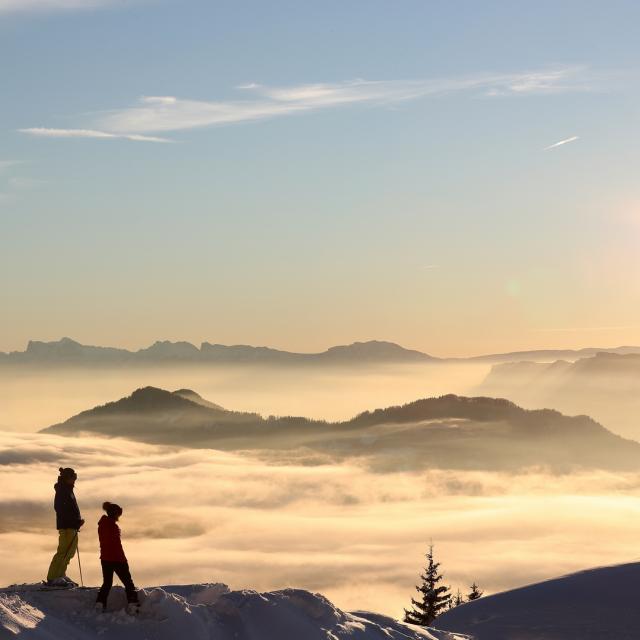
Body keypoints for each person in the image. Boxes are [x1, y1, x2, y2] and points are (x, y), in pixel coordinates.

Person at [95, 502, 140, 613]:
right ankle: (133, 604)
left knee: (107, 583)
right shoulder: (112, 526)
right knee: (128, 582)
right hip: (117, 558)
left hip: (105, 558)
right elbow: (116, 545)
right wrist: (123, 559)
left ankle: (100, 603)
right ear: (115, 514)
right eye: (118, 515)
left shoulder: (102, 525)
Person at [46, 467, 84, 586]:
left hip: (71, 526)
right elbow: (60, 509)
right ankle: (54, 577)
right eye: (73, 478)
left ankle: (60, 574)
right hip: (67, 526)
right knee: (63, 551)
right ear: (67, 478)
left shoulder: (67, 490)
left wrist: (77, 522)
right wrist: (74, 521)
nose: (74, 480)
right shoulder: (63, 490)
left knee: (69, 552)